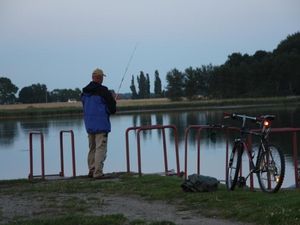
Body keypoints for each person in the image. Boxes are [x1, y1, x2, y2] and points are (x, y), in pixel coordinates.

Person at [81, 68, 116, 178]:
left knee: (92, 148)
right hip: (101, 124)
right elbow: (112, 109)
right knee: (100, 148)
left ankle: (91, 170)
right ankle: (98, 173)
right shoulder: (104, 91)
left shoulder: (84, 92)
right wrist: (113, 102)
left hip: (89, 124)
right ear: (100, 78)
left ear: (92, 78)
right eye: (102, 78)